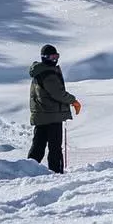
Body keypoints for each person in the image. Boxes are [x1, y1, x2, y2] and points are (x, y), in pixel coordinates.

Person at [28, 44, 81, 174]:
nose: (54, 59)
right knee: (55, 147)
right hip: (52, 116)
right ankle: (56, 173)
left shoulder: (39, 72)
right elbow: (58, 93)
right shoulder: (48, 74)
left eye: (56, 56)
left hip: (42, 115)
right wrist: (73, 101)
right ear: (44, 58)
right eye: (52, 57)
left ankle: (28, 170)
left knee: (38, 146)